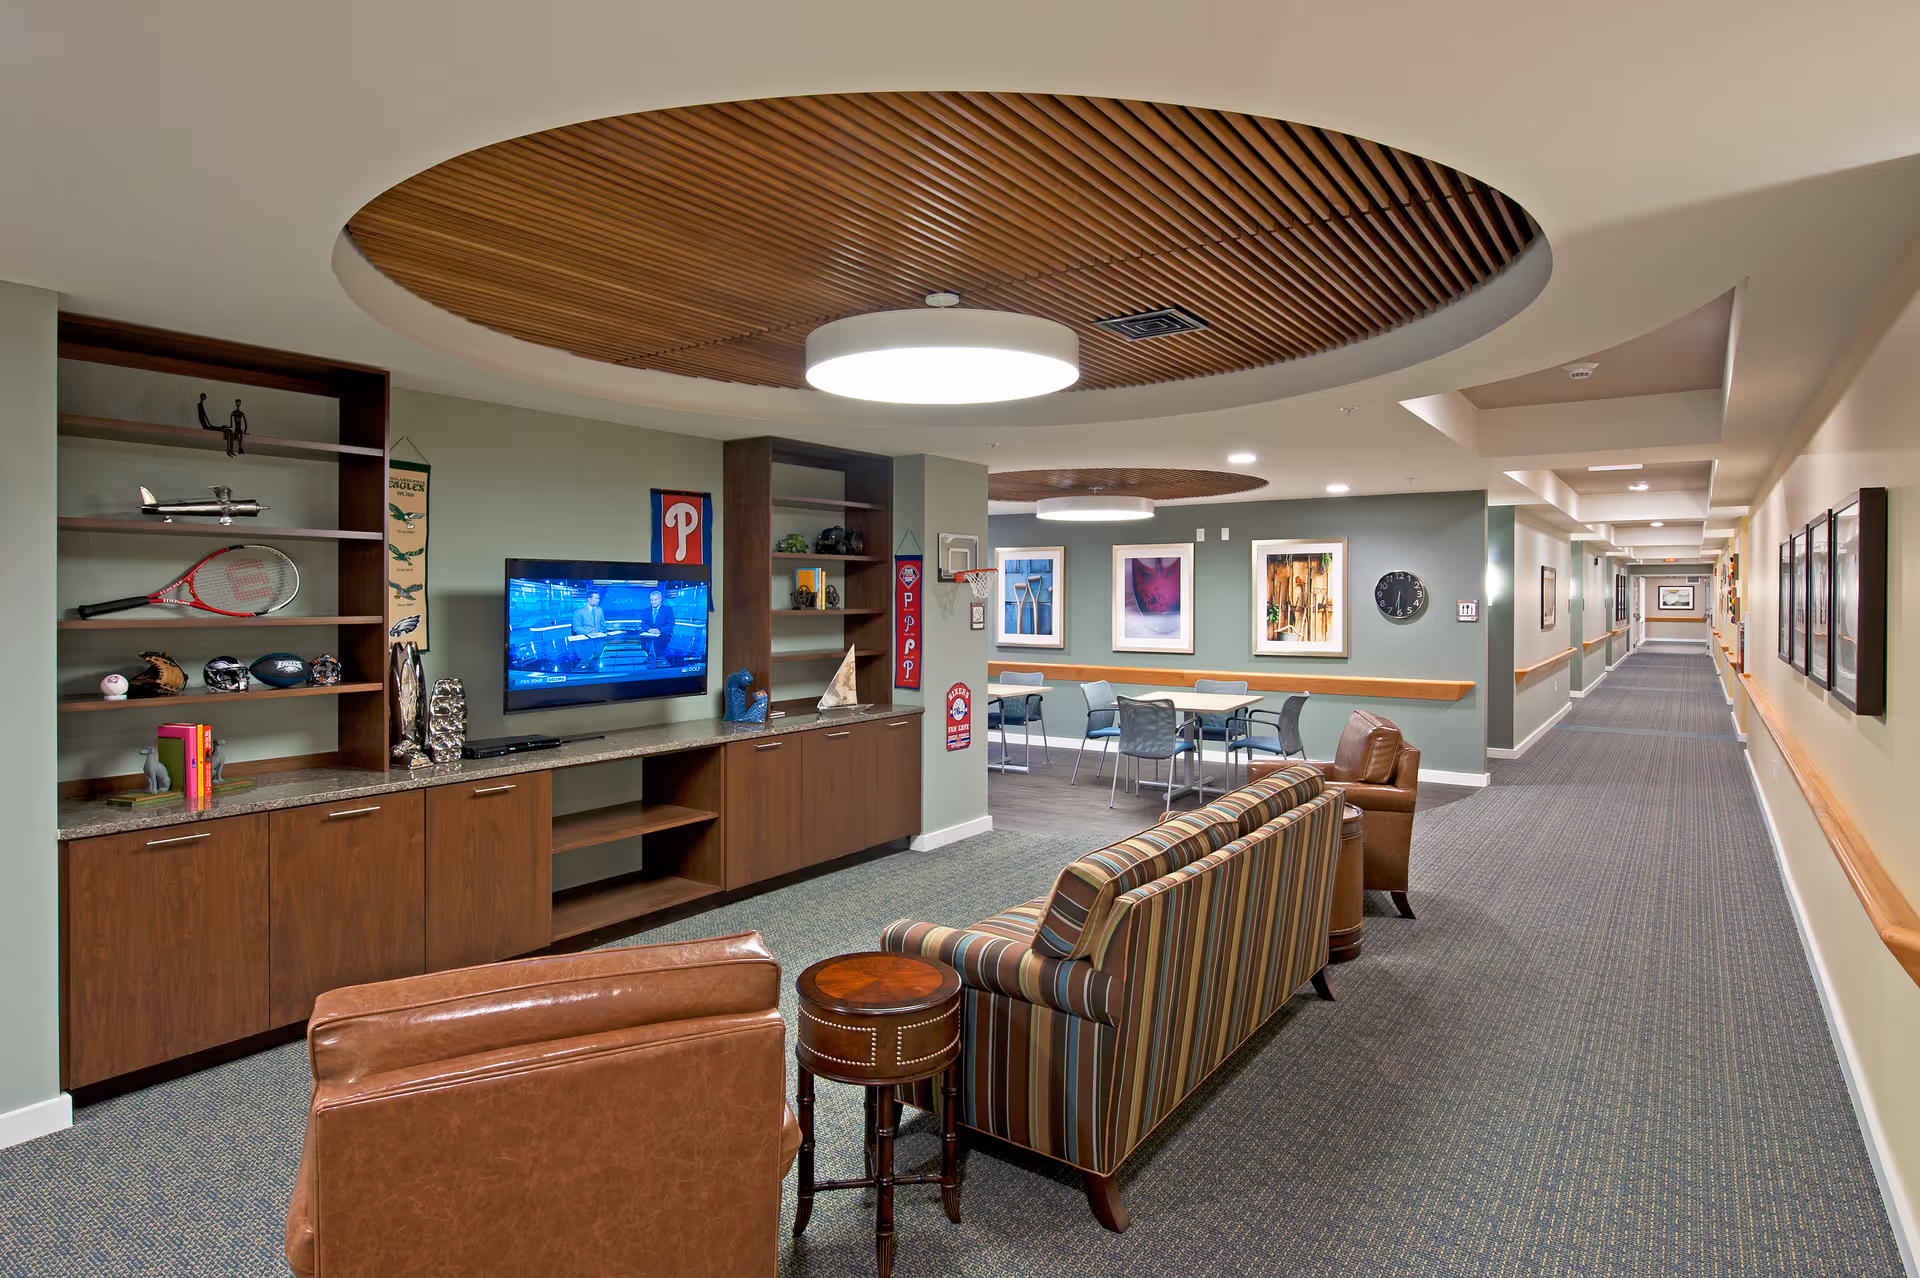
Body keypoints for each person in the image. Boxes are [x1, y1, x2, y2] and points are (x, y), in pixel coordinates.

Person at [571, 590, 609, 672]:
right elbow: (576, 628)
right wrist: (588, 632)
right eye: (596, 598)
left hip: (598, 643)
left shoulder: (599, 610)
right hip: (585, 643)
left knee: (597, 665)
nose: (598, 600)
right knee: (585, 666)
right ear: (589, 599)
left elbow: (602, 622)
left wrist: (610, 627)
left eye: (598, 598)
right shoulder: (579, 611)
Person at [639, 588, 675, 666]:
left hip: (663, 637)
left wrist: (659, 630)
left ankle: (660, 663)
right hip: (649, 637)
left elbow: (671, 624)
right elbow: (643, 623)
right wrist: (649, 629)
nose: (653, 602)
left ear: (660, 599)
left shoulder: (668, 610)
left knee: (661, 657)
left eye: (655, 600)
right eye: (651, 600)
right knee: (649, 651)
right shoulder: (646, 611)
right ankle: (650, 661)